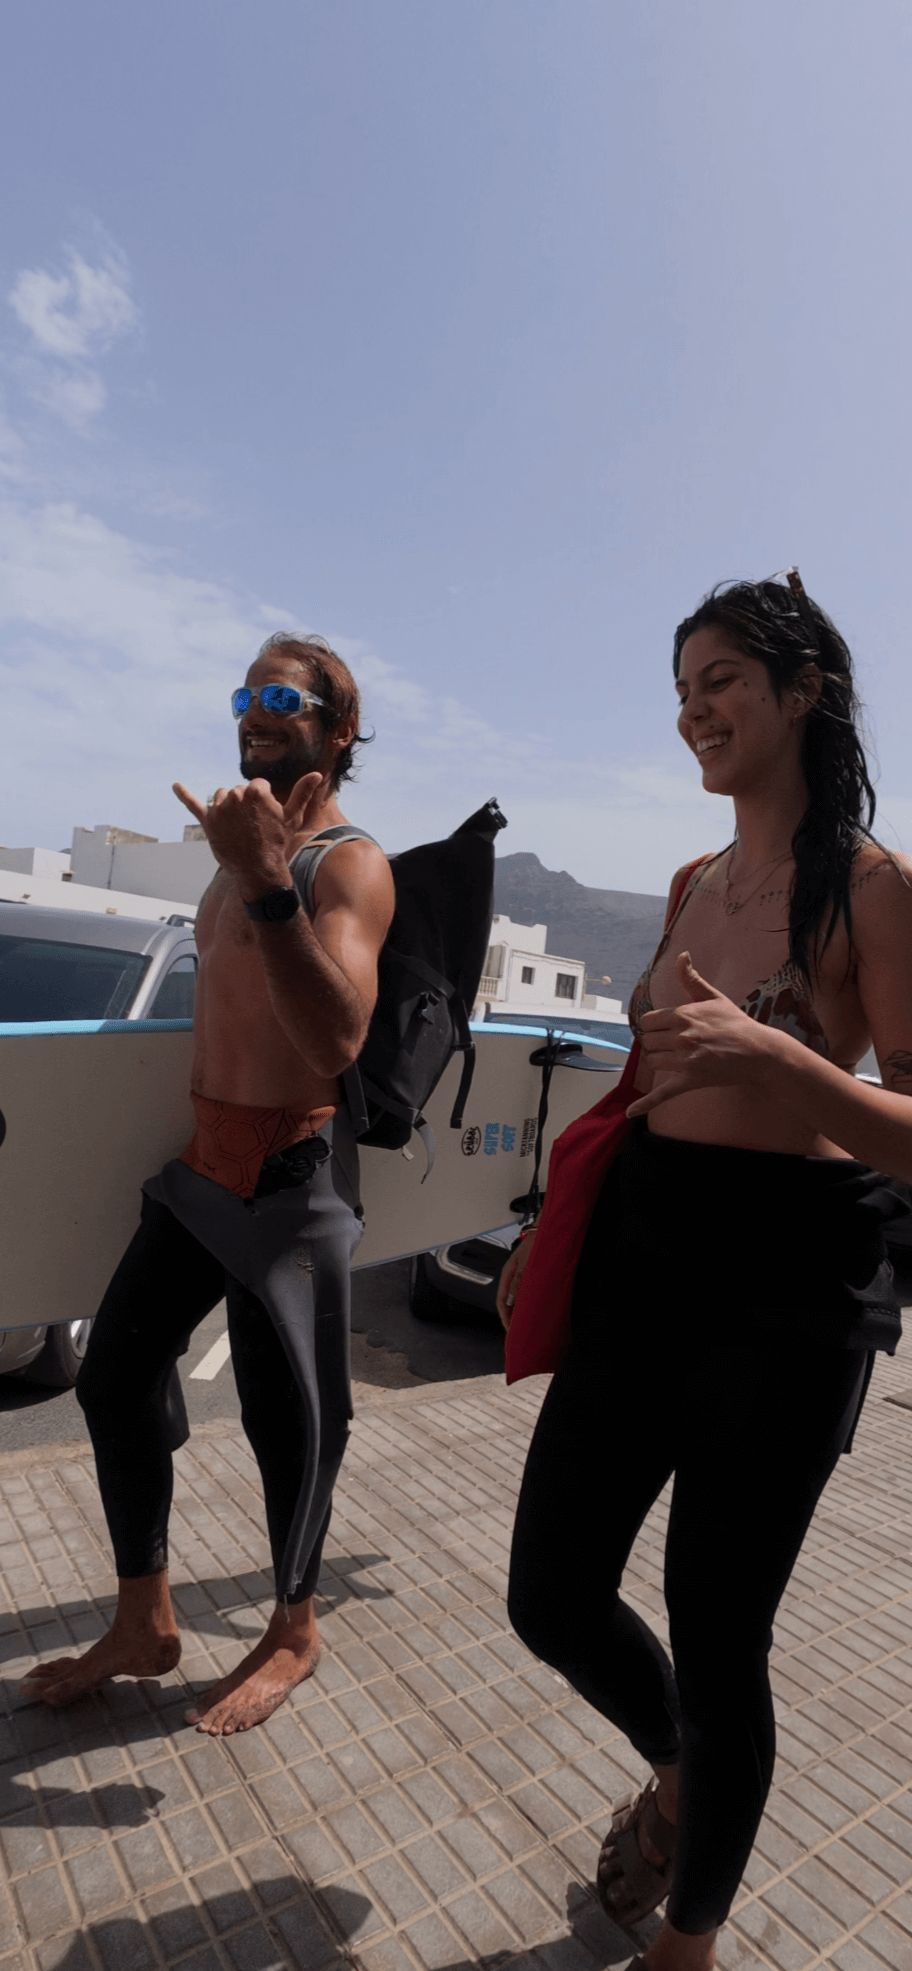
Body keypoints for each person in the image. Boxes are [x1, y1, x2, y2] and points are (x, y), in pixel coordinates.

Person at [498, 573, 912, 1971]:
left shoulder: (873, 887)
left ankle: (691, 1937)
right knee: (548, 1587)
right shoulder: (688, 884)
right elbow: (648, 1079)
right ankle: (683, 1761)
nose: (694, 709)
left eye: (724, 678)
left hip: (791, 1286)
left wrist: (785, 1060)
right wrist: (559, 1233)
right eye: (683, 685)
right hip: (648, 1252)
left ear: (805, 692)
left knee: (718, 1625)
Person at [22, 633, 394, 1736]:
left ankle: (293, 1630)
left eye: (285, 697)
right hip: (202, 1169)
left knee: (293, 1425)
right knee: (113, 1378)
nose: (256, 712)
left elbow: (335, 1037)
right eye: (247, 694)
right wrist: (246, 865)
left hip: (290, 1176)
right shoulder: (233, 859)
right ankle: (146, 1619)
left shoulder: (349, 864)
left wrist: (270, 878)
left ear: (339, 730)